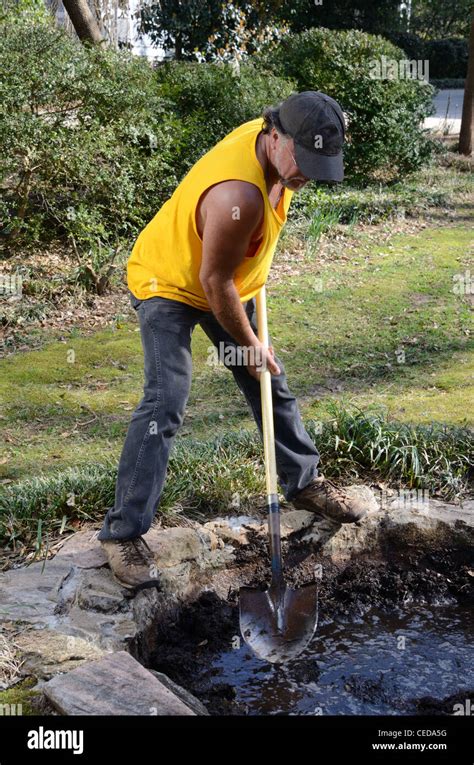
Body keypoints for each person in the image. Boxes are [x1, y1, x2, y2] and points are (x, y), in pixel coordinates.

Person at [98, 90, 367, 589]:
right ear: (274, 138)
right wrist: (251, 346)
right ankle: (122, 534)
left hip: (221, 279)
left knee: (268, 382)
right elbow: (213, 283)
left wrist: (256, 352)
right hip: (172, 284)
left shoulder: (277, 141)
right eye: (303, 161)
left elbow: (229, 273)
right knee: (166, 399)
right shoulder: (235, 195)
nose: (306, 175)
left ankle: (304, 482)